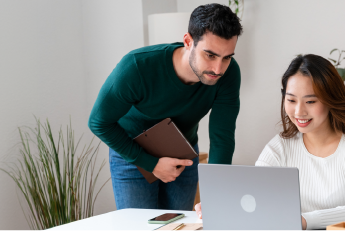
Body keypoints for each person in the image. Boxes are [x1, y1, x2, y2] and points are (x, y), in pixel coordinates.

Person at [195, 54, 345, 230]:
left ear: (330, 100)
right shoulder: (280, 146)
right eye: (291, 100)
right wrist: (222, 204)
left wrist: (305, 220)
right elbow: (253, 194)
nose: (299, 112)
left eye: (310, 101)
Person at [88, 3, 243, 211]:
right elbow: (99, 122)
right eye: (210, 55)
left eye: (227, 57)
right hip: (133, 154)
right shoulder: (136, 67)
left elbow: (222, 138)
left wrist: (215, 193)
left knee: (181, 225)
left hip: (183, 154)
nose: (218, 69)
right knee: (139, 227)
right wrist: (150, 163)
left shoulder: (229, 73)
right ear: (188, 42)